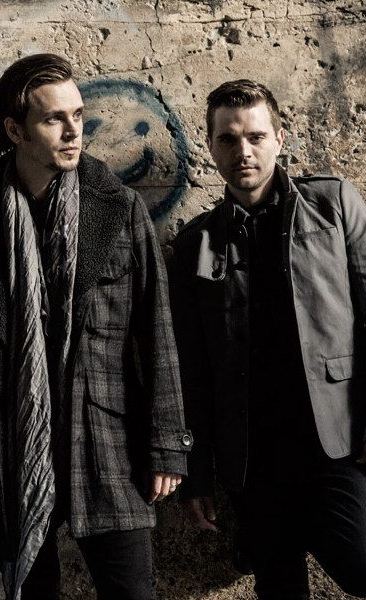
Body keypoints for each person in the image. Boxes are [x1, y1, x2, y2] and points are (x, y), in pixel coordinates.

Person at [0, 53, 192, 600]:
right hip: (12, 448)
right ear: (15, 130)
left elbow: (157, 333)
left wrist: (167, 446)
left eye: (77, 114)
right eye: (55, 118)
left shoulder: (119, 208)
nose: (75, 130)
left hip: (106, 439)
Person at [171, 79, 366, 599]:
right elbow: (190, 369)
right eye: (228, 139)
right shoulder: (195, 245)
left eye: (255, 136)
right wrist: (197, 475)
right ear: (211, 147)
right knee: (280, 588)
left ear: (279, 138)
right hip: (251, 458)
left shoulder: (333, 203)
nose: (243, 151)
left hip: (334, 443)